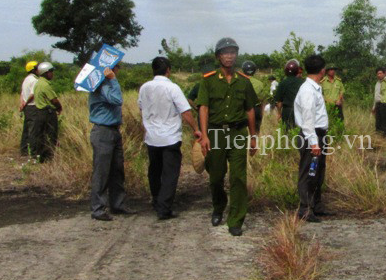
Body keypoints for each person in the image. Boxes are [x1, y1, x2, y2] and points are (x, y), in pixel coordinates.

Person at [198, 37, 258, 236]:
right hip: (215, 132)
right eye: (225, 52)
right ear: (218, 56)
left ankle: (236, 219)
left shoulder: (244, 81)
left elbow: (250, 110)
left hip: (238, 132)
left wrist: (253, 136)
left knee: (238, 177)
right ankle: (218, 206)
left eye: (233, 52)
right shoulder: (208, 80)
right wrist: (204, 135)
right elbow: (204, 108)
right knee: (216, 176)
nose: (229, 56)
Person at [139, 56, 201, 220]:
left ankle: (156, 200)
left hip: (151, 136)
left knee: (154, 170)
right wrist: (196, 129)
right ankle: (164, 208)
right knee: (170, 173)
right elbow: (185, 112)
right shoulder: (172, 88)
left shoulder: (144, 88)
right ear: (168, 70)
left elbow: (141, 108)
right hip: (170, 137)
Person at [87, 65, 129, 221]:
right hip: (103, 131)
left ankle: (117, 204)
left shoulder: (104, 84)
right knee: (102, 171)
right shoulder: (102, 85)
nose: (118, 69)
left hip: (112, 130)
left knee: (117, 170)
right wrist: (113, 80)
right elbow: (117, 100)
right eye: (117, 67)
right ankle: (98, 208)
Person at [294, 54, 330, 222]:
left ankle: (316, 204)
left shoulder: (314, 88)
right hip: (312, 136)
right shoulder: (308, 91)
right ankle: (305, 209)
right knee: (309, 172)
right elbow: (308, 119)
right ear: (322, 70)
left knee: (318, 171)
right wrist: (314, 142)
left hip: (318, 135)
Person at [30, 61, 62, 162]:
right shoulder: (45, 85)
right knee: (51, 135)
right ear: (46, 72)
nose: (52, 74)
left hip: (39, 112)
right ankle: (48, 157)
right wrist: (59, 107)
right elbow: (54, 100)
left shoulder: (38, 83)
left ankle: (39, 156)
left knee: (40, 135)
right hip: (48, 113)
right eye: (51, 71)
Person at [273, 59, 304, 129]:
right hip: (301, 110)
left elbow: (279, 101)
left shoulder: (282, 83)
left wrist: (279, 113)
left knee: (288, 131)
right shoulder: (303, 82)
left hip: (287, 111)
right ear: (297, 71)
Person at [18, 60, 39, 157]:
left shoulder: (26, 79)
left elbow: (22, 93)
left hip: (27, 108)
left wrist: (22, 104)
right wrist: (26, 103)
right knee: (33, 130)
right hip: (33, 106)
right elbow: (32, 94)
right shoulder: (34, 80)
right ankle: (33, 153)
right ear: (33, 70)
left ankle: (23, 150)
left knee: (26, 129)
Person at [241, 60, 267, 130]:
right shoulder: (260, 83)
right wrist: (262, 112)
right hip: (256, 109)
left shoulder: (239, 82)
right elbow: (263, 100)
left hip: (243, 110)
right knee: (255, 132)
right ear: (254, 70)